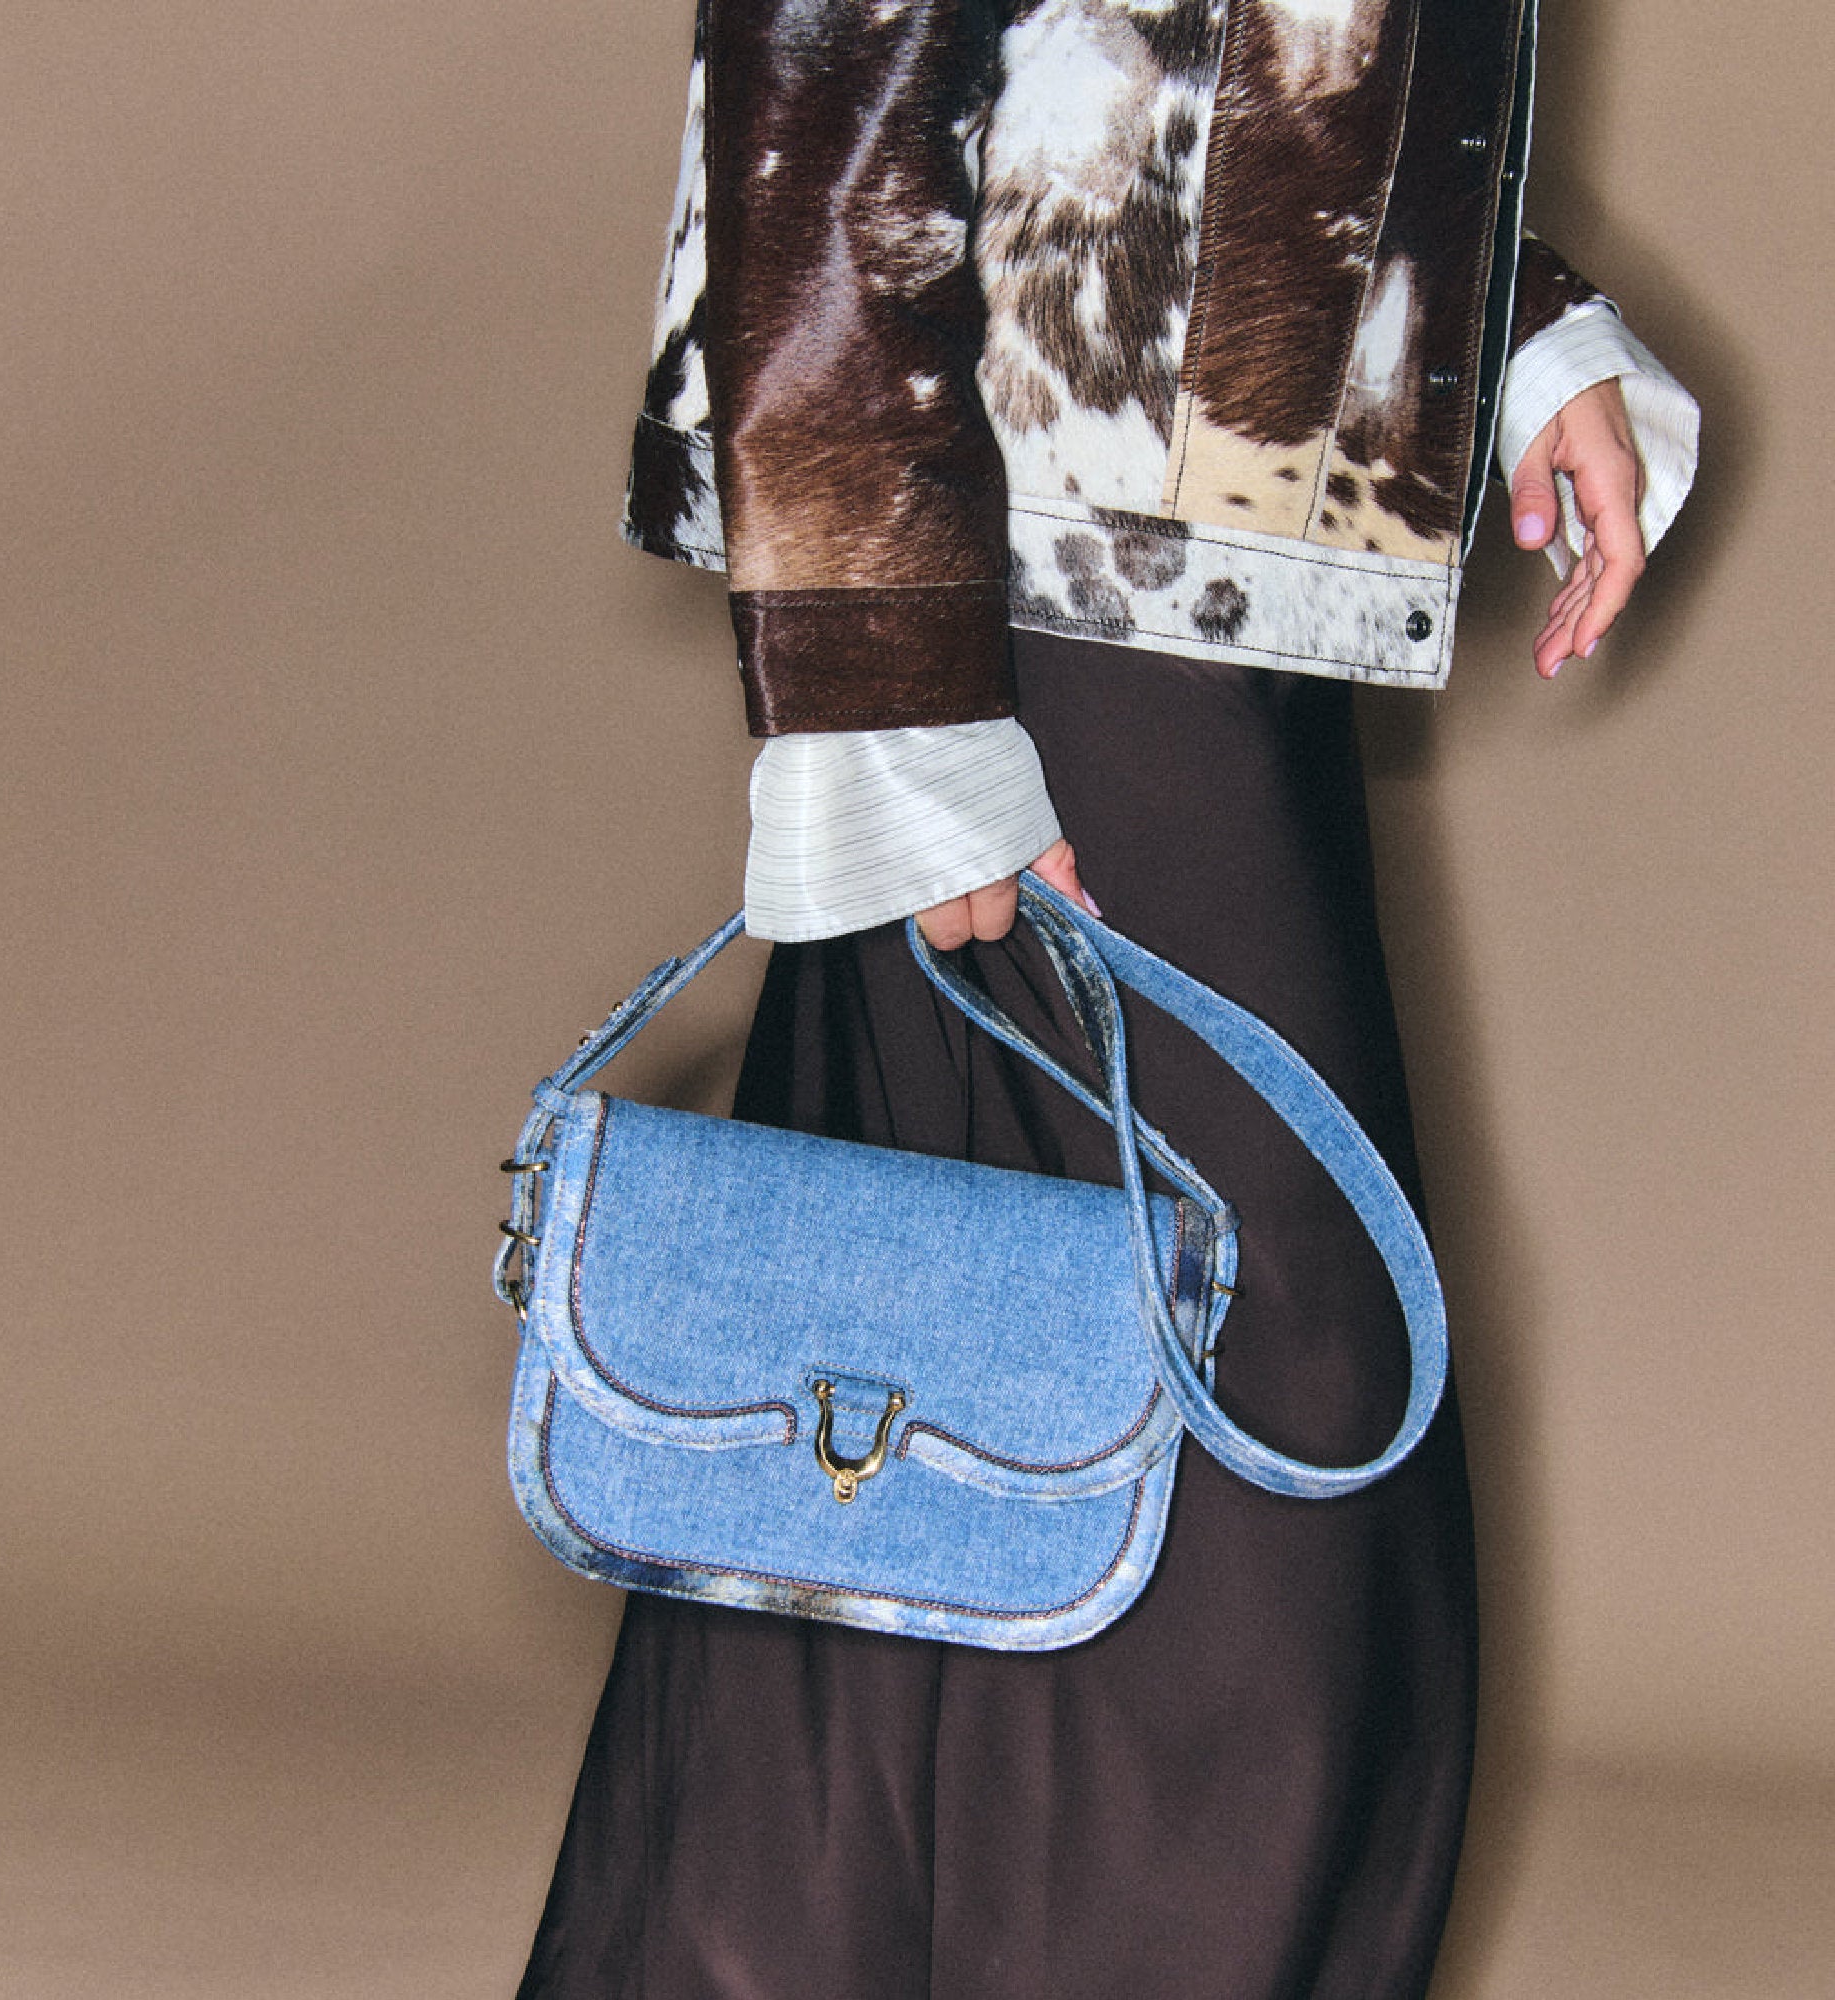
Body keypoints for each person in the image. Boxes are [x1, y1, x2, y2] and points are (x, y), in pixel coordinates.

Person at [517, 3, 1698, 1993]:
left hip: (1147, 492)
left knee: (889, 1420)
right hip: (1025, 510)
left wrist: (1498, 311)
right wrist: (881, 665)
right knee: (1252, 1415)